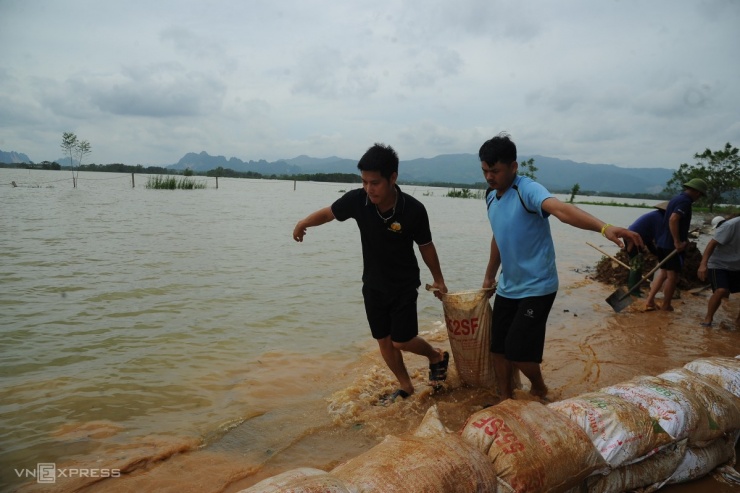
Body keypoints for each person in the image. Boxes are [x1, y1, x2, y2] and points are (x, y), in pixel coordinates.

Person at [479, 132, 643, 401]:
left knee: (518, 351)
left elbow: (561, 210)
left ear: (513, 166)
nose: (489, 177)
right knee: (498, 349)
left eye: (495, 171)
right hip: (509, 286)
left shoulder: (527, 190)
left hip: (538, 286)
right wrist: (489, 275)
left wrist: (604, 228)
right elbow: (499, 235)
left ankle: (540, 387)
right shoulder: (490, 196)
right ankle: (505, 400)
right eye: (485, 170)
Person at [292, 143, 449, 404]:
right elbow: (330, 213)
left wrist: (439, 279)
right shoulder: (358, 200)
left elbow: (426, 246)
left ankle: (435, 356)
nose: (368, 188)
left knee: (401, 340)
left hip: (403, 284)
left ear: (393, 178)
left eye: (374, 182)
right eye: (364, 182)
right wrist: (303, 222)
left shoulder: (414, 210)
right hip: (373, 285)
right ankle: (406, 386)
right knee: (384, 342)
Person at [644, 178, 708, 311]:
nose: (699, 198)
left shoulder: (676, 199)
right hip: (670, 245)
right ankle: (666, 305)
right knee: (672, 276)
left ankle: (649, 301)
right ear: (696, 192)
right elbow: (673, 219)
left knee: (663, 273)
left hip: (662, 243)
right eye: (700, 195)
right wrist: (677, 241)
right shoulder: (685, 202)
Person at [697, 215, 740, 328]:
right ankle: (708, 318)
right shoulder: (730, 225)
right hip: (719, 263)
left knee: (726, 292)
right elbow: (711, 244)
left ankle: (738, 321)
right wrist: (703, 264)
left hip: (737, 265)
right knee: (721, 290)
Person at [624, 201, 667, 295]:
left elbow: (649, 239)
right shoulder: (659, 218)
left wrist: (656, 253)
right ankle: (633, 291)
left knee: (639, 263)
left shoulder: (656, 215)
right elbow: (659, 238)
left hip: (638, 238)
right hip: (633, 238)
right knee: (636, 264)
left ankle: (635, 289)